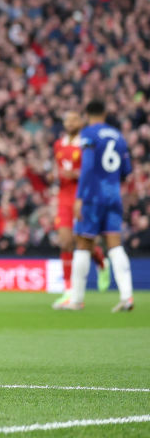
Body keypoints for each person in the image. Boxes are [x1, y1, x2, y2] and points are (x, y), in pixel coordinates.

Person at [60, 99, 134, 312]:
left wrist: (80, 197)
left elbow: (88, 166)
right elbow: (126, 171)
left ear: (87, 115)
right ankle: (126, 297)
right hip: (113, 195)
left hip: (92, 196)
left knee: (82, 245)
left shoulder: (89, 134)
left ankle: (77, 300)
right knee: (115, 245)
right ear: (105, 113)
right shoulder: (118, 136)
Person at [51, 110, 110, 309]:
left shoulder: (87, 142)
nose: (69, 123)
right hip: (64, 197)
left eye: (73, 119)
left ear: (81, 121)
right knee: (65, 242)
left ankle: (101, 260)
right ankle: (68, 291)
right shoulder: (58, 144)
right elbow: (58, 169)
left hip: (84, 197)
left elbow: (93, 172)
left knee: (83, 242)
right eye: (66, 120)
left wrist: (75, 174)